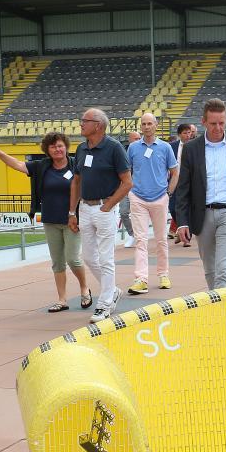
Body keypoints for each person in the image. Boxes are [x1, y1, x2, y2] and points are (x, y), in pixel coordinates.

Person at [0, 132, 90, 313]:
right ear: (47, 150)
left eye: (60, 145)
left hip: (72, 220)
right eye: (53, 147)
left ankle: (84, 289)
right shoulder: (42, 166)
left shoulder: (76, 164)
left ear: (66, 146)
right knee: (57, 262)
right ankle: (62, 300)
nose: (57, 149)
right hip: (50, 220)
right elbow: (18, 165)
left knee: (72, 259)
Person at [174, 98, 226, 289]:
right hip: (202, 215)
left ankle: (223, 306)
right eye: (213, 123)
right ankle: (217, 301)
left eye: (221, 123)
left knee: (223, 269)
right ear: (203, 122)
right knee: (210, 269)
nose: (218, 128)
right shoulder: (191, 149)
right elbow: (183, 188)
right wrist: (182, 222)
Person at [69, 108, 132, 323]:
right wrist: (72, 212)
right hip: (85, 208)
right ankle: (112, 290)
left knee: (106, 259)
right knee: (88, 257)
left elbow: (127, 183)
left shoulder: (114, 148)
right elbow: (76, 182)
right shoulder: (81, 148)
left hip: (105, 208)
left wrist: (109, 205)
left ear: (98, 125)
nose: (81, 124)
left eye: (84, 120)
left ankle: (104, 305)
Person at [126, 113, 179, 295]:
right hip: (138, 198)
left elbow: (175, 172)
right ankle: (141, 279)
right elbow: (127, 171)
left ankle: (163, 274)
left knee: (161, 239)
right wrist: (130, 191)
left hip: (159, 198)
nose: (147, 127)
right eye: (144, 124)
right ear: (140, 126)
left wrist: (168, 194)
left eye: (150, 123)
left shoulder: (165, 147)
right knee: (141, 240)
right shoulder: (133, 148)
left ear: (156, 125)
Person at [169, 123, 194, 246]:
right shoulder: (172, 146)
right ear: (179, 135)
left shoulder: (195, 146)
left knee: (188, 209)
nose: (188, 135)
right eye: (185, 133)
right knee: (172, 208)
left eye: (189, 132)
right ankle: (180, 228)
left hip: (190, 181)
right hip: (175, 180)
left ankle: (187, 238)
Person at [120, 130, 141, 248]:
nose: (137, 141)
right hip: (125, 187)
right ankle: (132, 234)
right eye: (135, 139)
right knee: (123, 212)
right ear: (129, 140)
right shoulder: (121, 151)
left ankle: (140, 236)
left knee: (138, 213)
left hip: (138, 187)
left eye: (139, 138)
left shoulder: (143, 151)